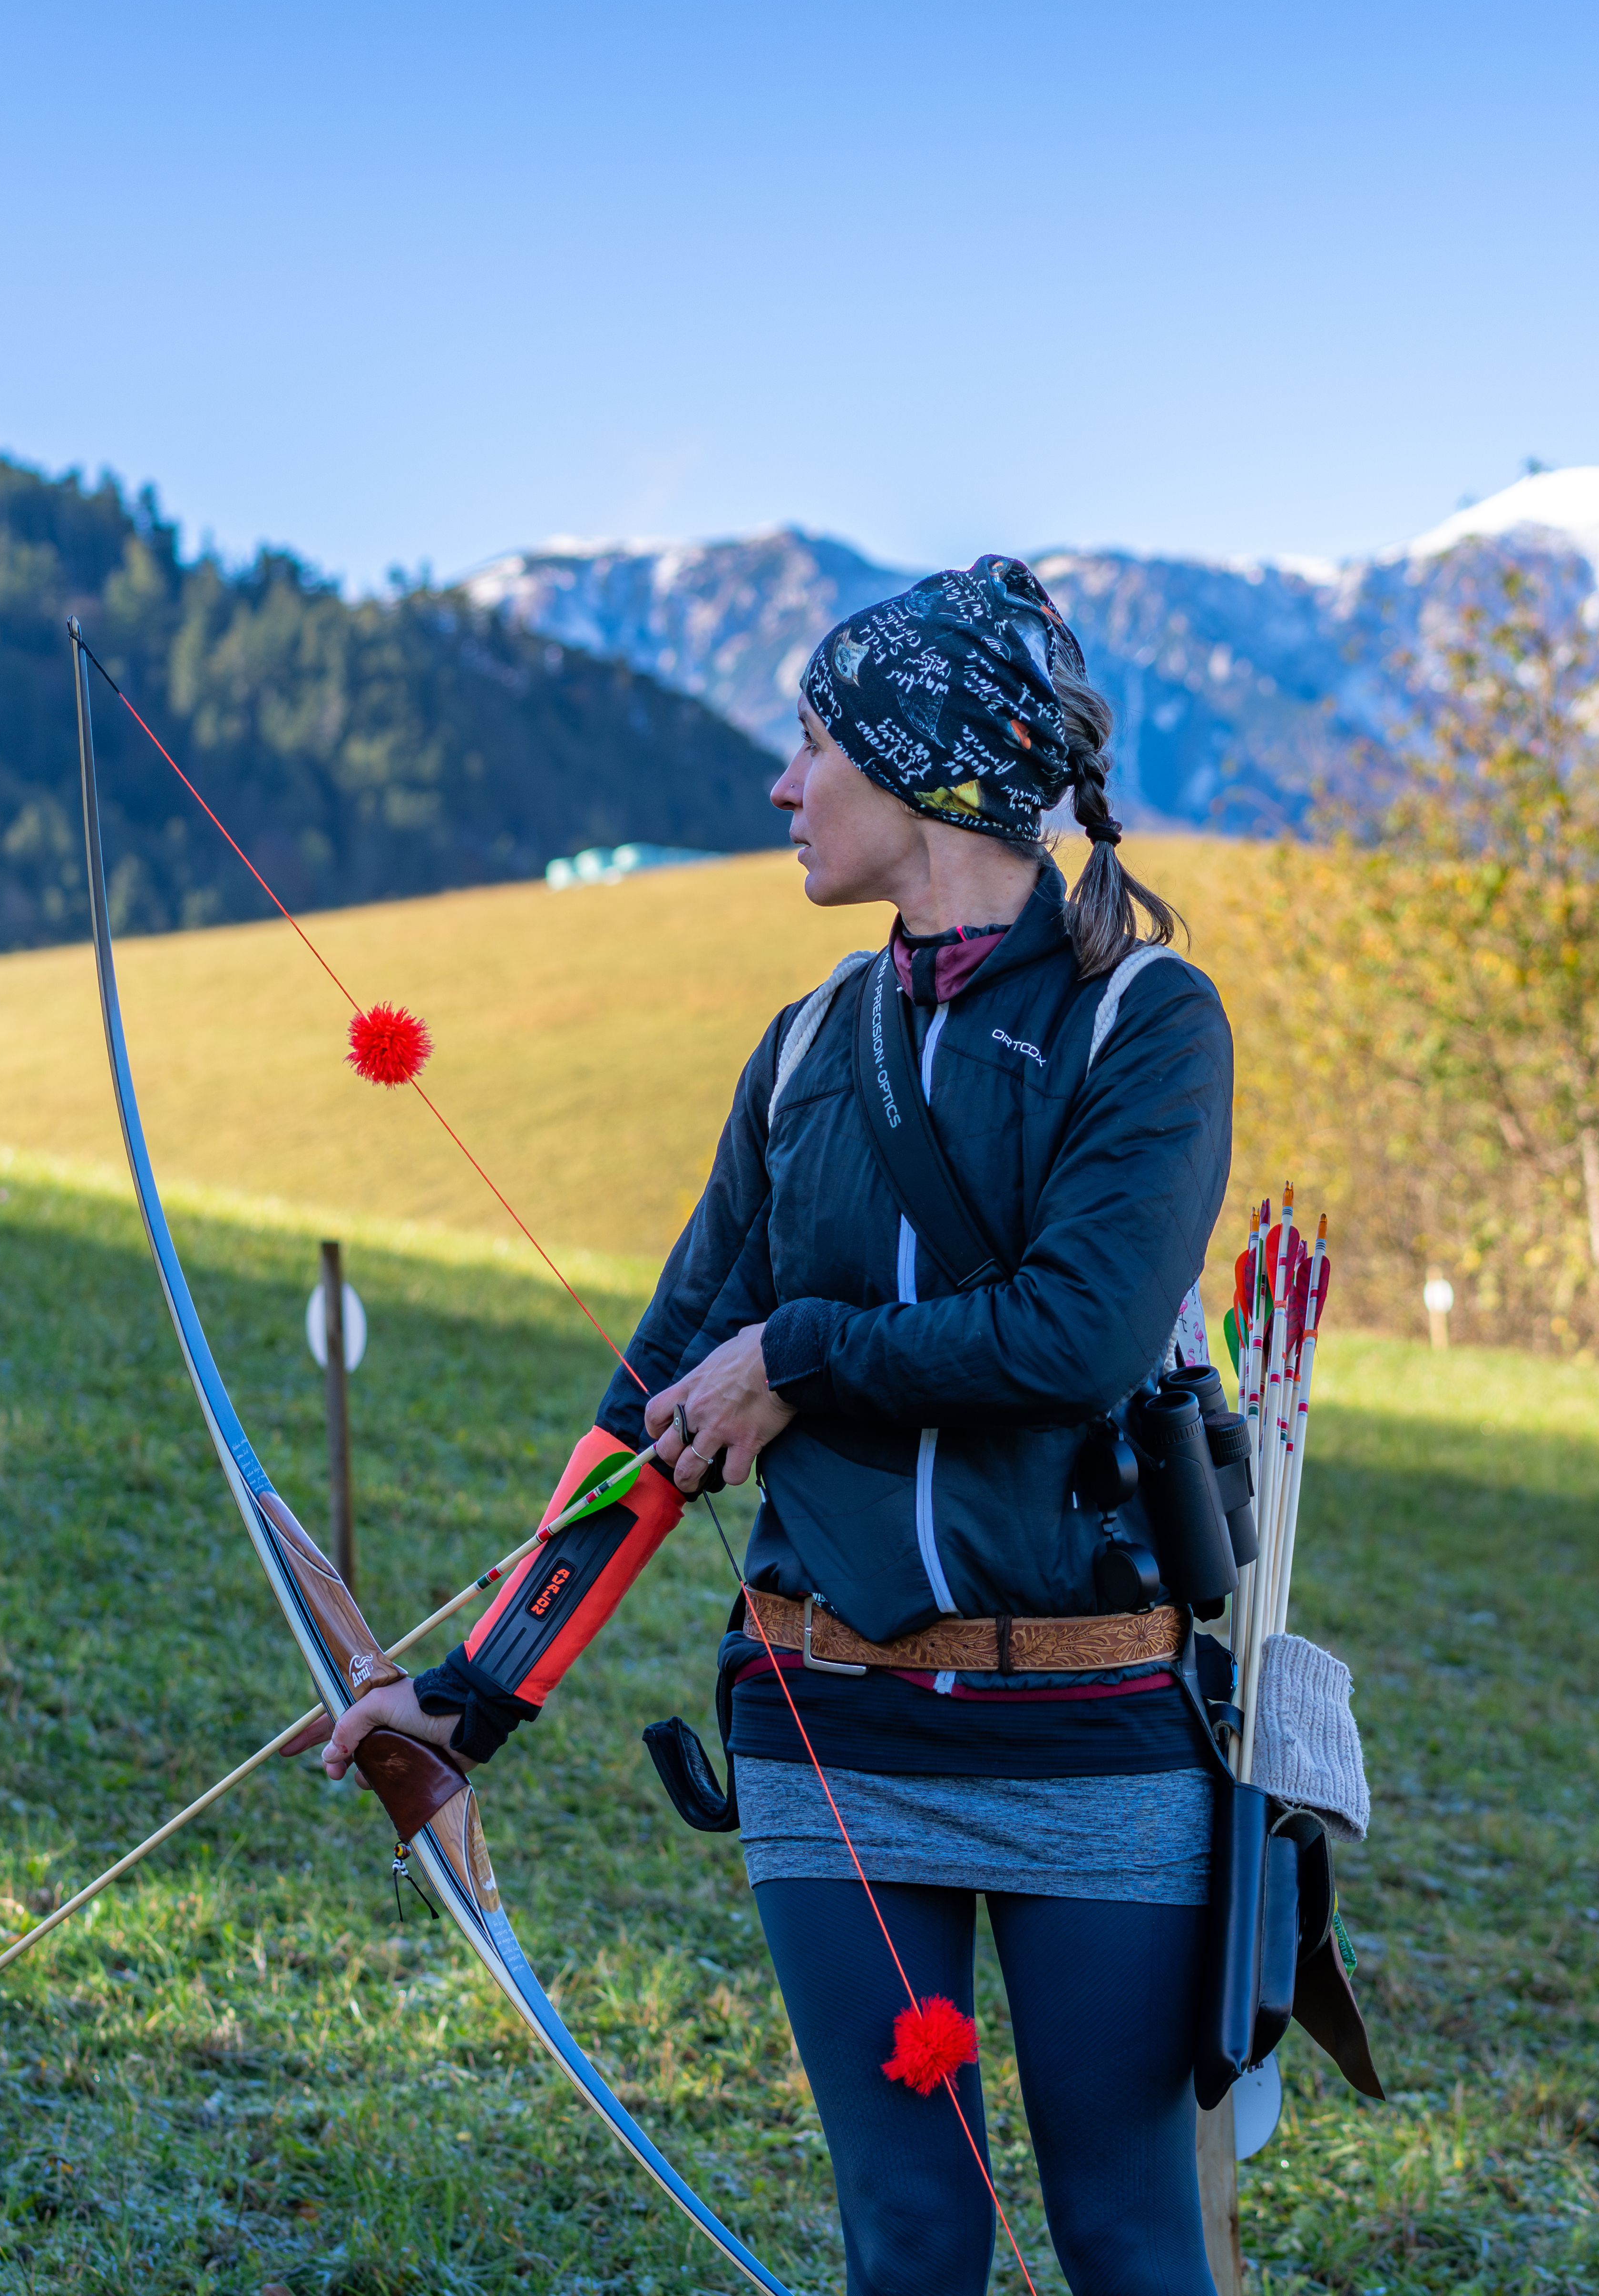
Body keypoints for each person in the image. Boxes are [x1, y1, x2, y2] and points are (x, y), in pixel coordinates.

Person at [325, 556, 1233, 2296]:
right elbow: (659, 1391)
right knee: (909, 2235)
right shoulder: (809, 1042)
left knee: (1130, 2240)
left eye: (814, 742)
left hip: (1096, 1735)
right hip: (837, 1731)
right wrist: (472, 1695)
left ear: (920, 770)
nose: (783, 784)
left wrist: (801, 1356)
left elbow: (1079, 1334)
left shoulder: (1145, 1020)